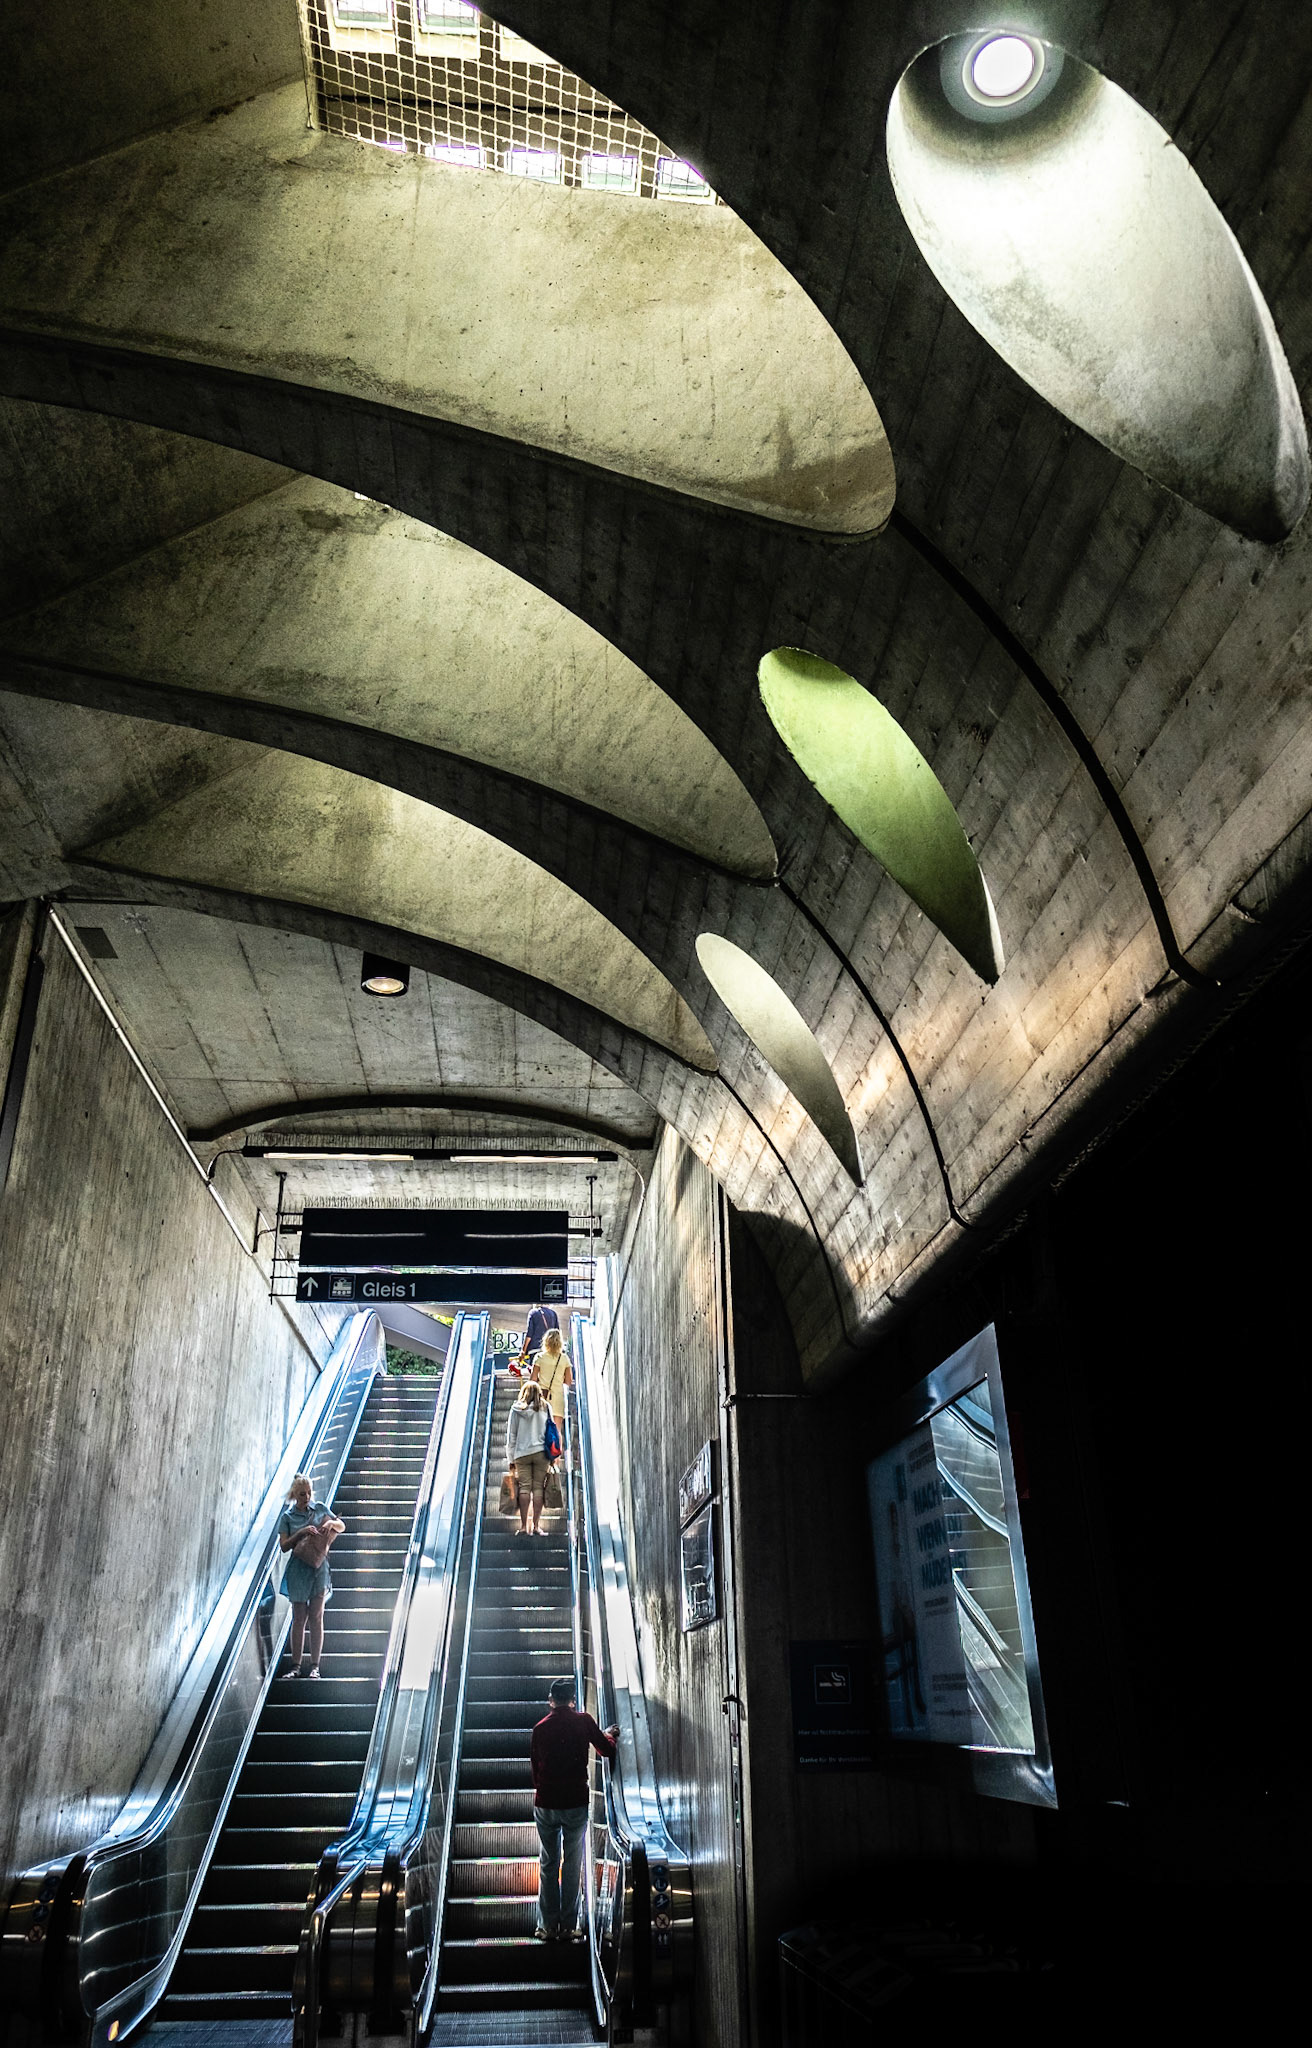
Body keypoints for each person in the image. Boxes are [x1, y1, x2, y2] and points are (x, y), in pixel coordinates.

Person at [529, 1677, 618, 1940]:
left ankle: (546, 1925)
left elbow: (535, 1774)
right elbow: (605, 1750)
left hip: (546, 1802)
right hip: (576, 1802)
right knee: (572, 1864)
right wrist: (611, 1736)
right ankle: (569, 1926)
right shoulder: (583, 1721)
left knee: (548, 1863)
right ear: (573, 1700)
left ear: (551, 1700)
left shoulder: (540, 1728)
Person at [277, 1472, 345, 1679]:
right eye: (302, 1495)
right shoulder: (287, 1517)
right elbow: (284, 1546)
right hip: (298, 1569)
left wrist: (330, 1524)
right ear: (294, 1495)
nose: (306, 1498)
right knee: (299, 1618)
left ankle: (315, 1665)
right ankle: (296, 1666)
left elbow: (342, 1526)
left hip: (318, 1568)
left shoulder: (320, 1508)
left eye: (308, 1493)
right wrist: (301, 1533)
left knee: (317, 1616)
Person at [505, 1378, 551, 1536]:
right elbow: (551, 1431)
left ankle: (524, 1526)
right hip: (541, 1453)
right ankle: (536, 1526)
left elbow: (511, 1435)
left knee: (524, 1488)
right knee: (538, 1488)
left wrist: (510, 1459)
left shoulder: (516, 1409)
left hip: (521, 1454)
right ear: (539, 1394)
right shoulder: (546, 1408)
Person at [529, 1325, 572, 1434]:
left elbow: (533, 1380)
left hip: (542, 1396)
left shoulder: (539, 1357)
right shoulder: (564, 1358)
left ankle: (543, 1450)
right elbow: (568, 1381)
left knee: (541, 1429)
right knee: (557, 1430)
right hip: (558, 1397)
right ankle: (557, 1450)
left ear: (546, 1341)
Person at [516, 1303, 559, 1374]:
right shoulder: (553, 1314)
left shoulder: (533, 1312)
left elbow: (529, 1334)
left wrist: (523, 1351)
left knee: (535, 1375)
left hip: (535, 1350)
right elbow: (557, 1334)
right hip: (550, 1350)